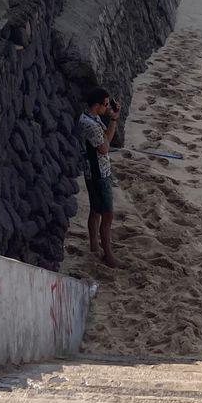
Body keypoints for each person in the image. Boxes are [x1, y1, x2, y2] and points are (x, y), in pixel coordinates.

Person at [76, 87, 122, 268]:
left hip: (92, 171)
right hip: (99, 173)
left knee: (95, 210)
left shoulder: (90, 119)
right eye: (105, 104)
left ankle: (95, 246)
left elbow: (107, 140)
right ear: (97, 105)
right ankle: (108, 255)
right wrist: (112, 120)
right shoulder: (91, 124)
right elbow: (104, 148)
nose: (107, 107)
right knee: (107, 214)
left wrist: (113, 118)